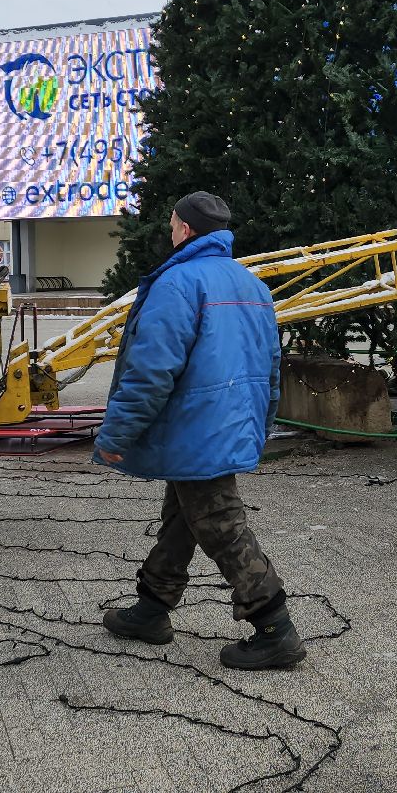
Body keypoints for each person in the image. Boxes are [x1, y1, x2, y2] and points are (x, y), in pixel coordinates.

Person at [95, 192, 304, 670]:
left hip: (195, 428)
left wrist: (115, 436)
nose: (169, 231)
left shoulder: (178, 283)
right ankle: (151, 609)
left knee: (220, 525)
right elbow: (271, 368)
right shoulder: (251, 284)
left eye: (171, 224)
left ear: (185, 229)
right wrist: (262, 424)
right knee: (183, 517)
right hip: (226, 424)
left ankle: (274, 627)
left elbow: (151, 370)